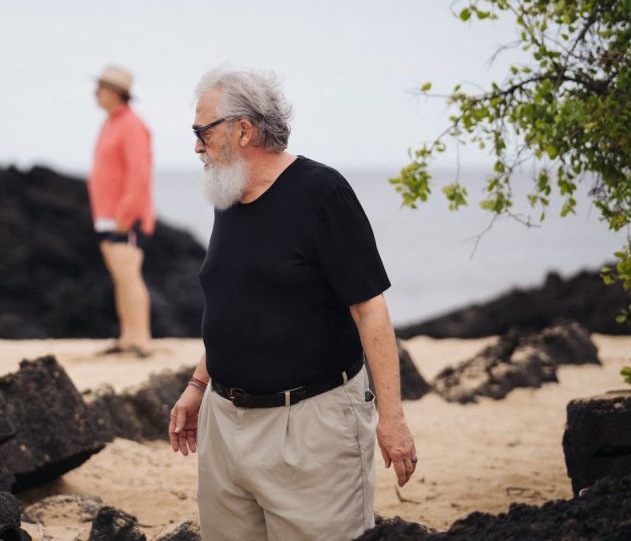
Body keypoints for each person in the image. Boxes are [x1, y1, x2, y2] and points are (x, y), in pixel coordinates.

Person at [168, 66, 418, 540]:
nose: (197, 146)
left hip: (311, 429)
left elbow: (370, 310)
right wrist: (198, 384)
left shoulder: (322, 193)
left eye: (202, 133)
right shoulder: (229, 196)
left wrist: (393, 419)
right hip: (223, 425)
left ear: (243, 130)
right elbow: (239, 306)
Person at [88, 64, 155, 357]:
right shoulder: (111, 122)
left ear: (116, 93)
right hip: (105, 215)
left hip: (124, 218)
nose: (96, 93)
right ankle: (127, 337)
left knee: (129, 273)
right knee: (119, 275)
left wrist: (126, 215)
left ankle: (141, 339)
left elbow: (139, 174)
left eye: (101, 88)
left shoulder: (131, 125)